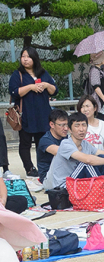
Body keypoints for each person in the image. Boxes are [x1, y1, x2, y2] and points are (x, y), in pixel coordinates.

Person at [9, 47, 57, 178]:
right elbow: (14, 92)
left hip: (43, 115)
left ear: (34, 58)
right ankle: (29, 168)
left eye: (28, 57)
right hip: (26, 115)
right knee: (25, 143)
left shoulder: (43, 73)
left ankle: (44, 168)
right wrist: (31, 87)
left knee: (43, 143)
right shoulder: (17, 74)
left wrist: (46, 85)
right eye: (23, 56)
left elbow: (54, 90)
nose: (25, 59)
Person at [43, 112, 104, 191]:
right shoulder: (66, 144)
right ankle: (102, 191)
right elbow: (88, 160)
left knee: (102, 158)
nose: (81, 129)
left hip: (77, 182)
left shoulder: (85, 144)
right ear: (70, 129)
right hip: (62, 186)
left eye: (84, 125)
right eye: (77, 126)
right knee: (86, 164)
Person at [36, 110, 68, 184]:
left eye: (67, 125)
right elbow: (62, 152)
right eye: (62, 125)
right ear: (52, 124)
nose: (66, 128)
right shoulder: (45, 140)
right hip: (48, 177)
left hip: (62, 174)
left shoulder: (67, 138)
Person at [87, 51, 104, 121]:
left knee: (103, 119)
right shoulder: (94, 70)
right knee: (99, 119)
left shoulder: (99, 70)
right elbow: (96, 87)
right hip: (98, 101)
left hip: (102, 101)